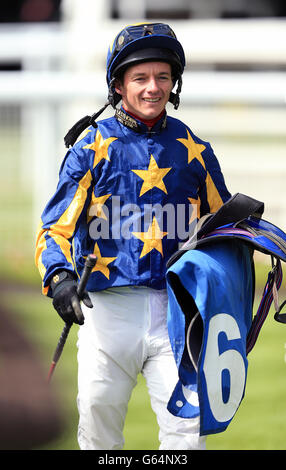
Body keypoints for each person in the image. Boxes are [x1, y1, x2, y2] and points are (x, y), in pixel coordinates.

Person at [35, 22, 231, 450]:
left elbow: (225, 228)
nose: (152, 88)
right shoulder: (90, 148)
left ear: (174, 82)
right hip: (105, 311)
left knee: (186, 432)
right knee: (97, 424)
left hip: (177, 313)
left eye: (163, 77)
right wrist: (60, 279)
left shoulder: (194, 149)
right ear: (119, 85)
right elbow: (55, 229)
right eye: (140, 78)